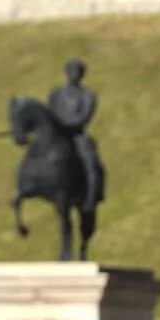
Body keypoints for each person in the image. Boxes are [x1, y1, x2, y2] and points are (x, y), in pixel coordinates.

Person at [47, 58, 102, 209]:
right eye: (70, 71)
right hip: (57, 135)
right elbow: (49, 113)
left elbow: (84, 117)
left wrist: (65, 124)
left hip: (76, 135)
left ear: (82, 75)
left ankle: (91, 198)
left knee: (91, 164)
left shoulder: (87, 96)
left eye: (76, 72)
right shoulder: (56, 93)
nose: (73, 75)